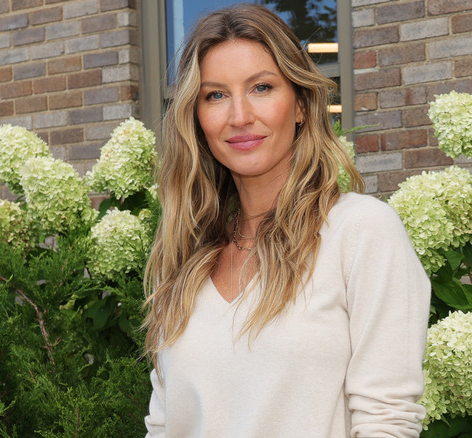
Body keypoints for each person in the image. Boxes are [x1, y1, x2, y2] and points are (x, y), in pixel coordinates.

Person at [142, 4, 431, 437]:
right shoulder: (187, 254)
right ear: (197, 119)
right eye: (215, 95)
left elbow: (387, 422)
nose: (239, 116)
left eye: (261, 87)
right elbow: (165, 426)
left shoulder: (360, 231)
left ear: (299, 104)